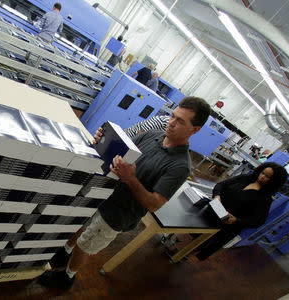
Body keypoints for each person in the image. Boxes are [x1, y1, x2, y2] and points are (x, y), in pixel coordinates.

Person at [38, 97, 211, 289]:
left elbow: (154, 204)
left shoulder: (180, 166)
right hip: (102, 195)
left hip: (117, 216)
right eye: (173, 116)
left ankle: (66, 277)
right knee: (79, 227)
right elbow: (117, 151)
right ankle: (65, 251)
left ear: (194, 130)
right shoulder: (152, 135)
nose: (171, 123)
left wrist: (130, 178)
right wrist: (102, 140)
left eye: (180, 121)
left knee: (84, 245)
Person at [196, 162, 287, 260]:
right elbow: (220, 185)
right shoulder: (244, 178)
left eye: (268, 177)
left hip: (223, 228)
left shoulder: (265, 199)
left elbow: (257, 221)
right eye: (263, 173)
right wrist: (217, 196)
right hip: (210, 214)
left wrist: (236, 220)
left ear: (274, 181)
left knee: (199, 246)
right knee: (192, 234)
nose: (262, 177)